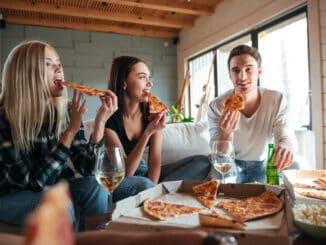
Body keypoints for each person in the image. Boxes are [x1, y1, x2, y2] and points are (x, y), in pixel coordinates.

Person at [0, 40, 118, 231]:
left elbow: (87, 169)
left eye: (58, 62)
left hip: (55, 187)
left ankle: (92, 241)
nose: (58, 67)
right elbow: (35, 183)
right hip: (13, 196)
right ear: (26, 74)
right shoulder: (4, 120)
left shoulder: (66, 112)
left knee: (95, 186)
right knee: (61, 207)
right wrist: (69, 132)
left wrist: (100, 124)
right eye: (48, 64)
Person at [207, 44, 295, 183]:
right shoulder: (217, 106)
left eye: (249, 69)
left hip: (264, 164)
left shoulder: (276, 100)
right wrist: (226, 134)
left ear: (259, 72)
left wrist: (286, 145)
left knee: (294, 168)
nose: (242, 77)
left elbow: (284, 135)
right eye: (236, 70)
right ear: (230, 75)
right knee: (220, 186)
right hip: (232, 163)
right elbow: (220, 156)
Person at [105, 56, 164, 202]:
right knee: (144, 184)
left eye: (149, 77)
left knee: (199, 163)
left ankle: (158, 191)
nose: (150, 83)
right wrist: (148, 132)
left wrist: (153, 191)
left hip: (144, 173)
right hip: (118, 179)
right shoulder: (109, 118)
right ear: (124, 83)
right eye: (142, 77)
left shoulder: (153, 111)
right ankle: (160, 190)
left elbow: (155, 159)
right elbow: (127, 173)